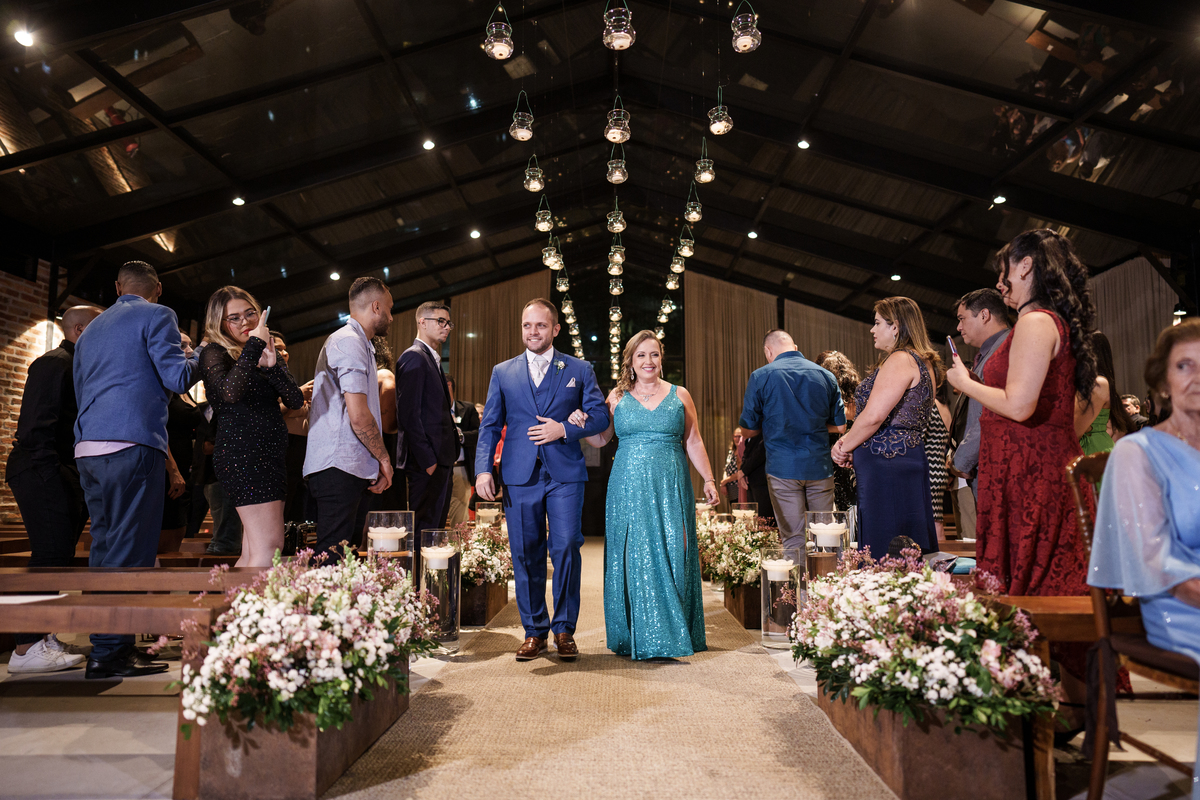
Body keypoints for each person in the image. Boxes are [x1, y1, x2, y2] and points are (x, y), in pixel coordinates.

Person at [947, 229, 1098, 603]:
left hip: (1030, 470)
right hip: (1021, 465)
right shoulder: (1040, 322)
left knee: (1034, 588)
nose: (1000, 282)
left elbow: (1019, 405)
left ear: (1026, 266)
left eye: (1005, 271)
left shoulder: (1035, 322)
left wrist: (965, 383)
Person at [1089, 320, 1200, 800]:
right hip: (1174, 602)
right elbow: (1154, 559)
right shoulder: (1138, 451)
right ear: (1161, 383)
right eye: (1184, 366)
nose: (1198, 377)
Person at [73, 260, 198, 679]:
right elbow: (178, 378)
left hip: (88, 446)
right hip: (131, 442)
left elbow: (82, 388)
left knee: (104, 547)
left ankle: (107, 645)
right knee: (131, 550)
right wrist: (198, 354)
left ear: (117, 287)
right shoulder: (158, 314)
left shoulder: (91, 329)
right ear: (157, 289)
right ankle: (111, 653)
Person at [475, 298, 609, 662]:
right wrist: (484, 469)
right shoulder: (503, 372)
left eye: (540, 325)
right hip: (519, 475)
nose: (533, 332)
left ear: (555, 329)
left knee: (565, 546)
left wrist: (563, 429)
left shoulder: (578, 369)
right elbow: (490, 425)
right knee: (525, 552)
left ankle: (564, 629)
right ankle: (534, 631)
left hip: (565, 474)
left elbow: (600, 417)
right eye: (527, 325)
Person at [577, 330, 716, 660]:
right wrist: (581, 423)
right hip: (627, 487)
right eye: (641, 355)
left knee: (674, 549)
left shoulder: (680, 395)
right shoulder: (616, 397)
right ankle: (637, 632)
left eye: (654, 354)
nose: (648, 361)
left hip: (671, 485)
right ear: (631, 361)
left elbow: (693, 440)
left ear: (661, 358)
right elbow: (601, 439)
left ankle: (672, 630)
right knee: (635, 555)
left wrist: (709, 479)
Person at [5, 305, 102, 674]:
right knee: (48, 556)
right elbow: (34, 430)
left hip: (59, 472)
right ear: (78, 330)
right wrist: (55, 478)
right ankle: (26, 647)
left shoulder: (77, 366)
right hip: (41, 470)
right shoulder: (53, 363)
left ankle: (42, 637)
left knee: (58, 555)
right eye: (99, 327)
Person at [200, 287, 304, 567]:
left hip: (271, 456)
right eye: (234, 318)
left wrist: (272, 367)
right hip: (244, 455)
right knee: (269, 547)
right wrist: (254, 346)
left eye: (250, 313)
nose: (245, 322)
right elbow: (229, 394)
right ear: (219, 323)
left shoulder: (265, 350)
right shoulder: (214, 352)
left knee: (254, 550)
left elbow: (295, 400)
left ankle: (238, 597)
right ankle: (250, 599)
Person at [832, 297, 942, 559]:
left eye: (877, 322)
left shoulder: (901, 359)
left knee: (885, 544)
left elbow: (874, 416)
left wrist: (843, 445)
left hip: (887, 463)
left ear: (896, 327)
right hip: (906, 458)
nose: (873, 329)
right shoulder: (923, 362)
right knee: (907, 546)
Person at [305, 277, 395, 562]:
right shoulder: (348, 341)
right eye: (390, 309)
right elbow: (358, 415)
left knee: (347, 558)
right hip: (337, 466)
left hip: (351, 466)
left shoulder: (362, 344)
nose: (391, 317)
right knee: (332, 559)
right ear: (376, 307)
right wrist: (383, 458)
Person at [740, 330, 845, 553]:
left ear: (768, 351)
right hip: (819, 467)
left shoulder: (760, 376)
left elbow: (747, 430)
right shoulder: (826, 375)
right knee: (826, 538)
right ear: (795, 348)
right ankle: (829, 576)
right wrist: (811, 424)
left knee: (794, 540)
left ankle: (799, 578)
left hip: (783, 468)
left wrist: (773, 425)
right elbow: (840, 426)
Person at [396, 302, 458, 582]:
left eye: (448, 323)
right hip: (426, 464)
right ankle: (416, 591)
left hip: (440, 460)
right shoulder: (414, 357)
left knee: (435, 531)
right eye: (440, 321)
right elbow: (409, 415)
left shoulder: (430, 358)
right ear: (422, 321)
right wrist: (428, 461)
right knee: (424, 530)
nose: (446, 327)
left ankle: (428, 591)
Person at [949, 288, 1011, 499]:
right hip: (987, 465)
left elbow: (993, 413)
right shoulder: (991, 353)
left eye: (962, 319)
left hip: (998, 466)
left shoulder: (1003, 350)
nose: (959, 327)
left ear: (984, 315)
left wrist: (961, 461)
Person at [160, 330, 207, 554]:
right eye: (182, 346)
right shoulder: (163, 384)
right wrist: (173, 470)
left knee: (179, 530)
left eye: (190, 345)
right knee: (165, 533)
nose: (189, 351)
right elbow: (158, 431)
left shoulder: (183, 387)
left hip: (185, 468)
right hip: (167, 469)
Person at [271, 331, 313, 525]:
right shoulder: (265, 378)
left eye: (285, 349)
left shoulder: (286, 378)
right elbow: (271, 414)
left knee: (296, 514)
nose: (285, 353)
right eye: (278, 349)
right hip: (282, 448)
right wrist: (298, 396)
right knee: (280, 511)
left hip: (299, 452)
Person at [1077, 331, 1134, 455]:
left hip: (1092, 448)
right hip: (1094, 445)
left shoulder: (1098, 383)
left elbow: (1077, 428)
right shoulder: (1100, 382)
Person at [817, 350, 860, 512]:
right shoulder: (857, 400)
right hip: (852, 456)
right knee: (853, 503)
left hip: (829, 457)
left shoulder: (826, 401)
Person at [370, 336, 406, 513]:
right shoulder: (382, 376)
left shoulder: (377, 375)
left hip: (373, 452)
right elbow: (389, 426)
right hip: (381, 452)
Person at [446, 375, 480, 526]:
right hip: (437, 469)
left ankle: (458, 539)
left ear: (450, 386)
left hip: (459, 468)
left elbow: (478, 434)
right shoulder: (432, 410)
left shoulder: (467, 409)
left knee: (459, 515)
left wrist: (460, 436)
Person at [926, 379, 952, 541]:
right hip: (940, 469)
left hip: (928, 470)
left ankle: (937, 556)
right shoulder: (945, 407)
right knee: (937, 518)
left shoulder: (930, 406)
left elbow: (918, 439)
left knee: (934, 521)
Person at [739, 433, 775, 526]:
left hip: (763, 482)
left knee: (766, 519)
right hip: (752, 482)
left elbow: (759, 453)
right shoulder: (749, 437)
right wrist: (742, 471)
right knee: (755, 518)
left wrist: (744, 471)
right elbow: (745, 456)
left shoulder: (764, 433)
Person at [719, 427, 746, 506]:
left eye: (739, 436)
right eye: (735, 436)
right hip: (730, 490)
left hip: (739, 487)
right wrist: (724, 484)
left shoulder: (744, 452)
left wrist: (725, 481)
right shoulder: (731, 452)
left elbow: (741, 471)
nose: (737, 439)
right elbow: (726, 469)